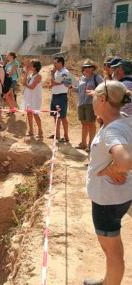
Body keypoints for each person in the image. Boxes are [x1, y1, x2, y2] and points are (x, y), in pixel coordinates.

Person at [84, 80, 132, 285]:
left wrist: (113, 168)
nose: (92, 100)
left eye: (94, 97)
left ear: (103, 99)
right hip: (119, 195)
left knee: (111, 251)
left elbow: (125, 161)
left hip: (107, 201)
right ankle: (107, 280)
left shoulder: (113, 130)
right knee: (113, 249)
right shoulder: (124, 119)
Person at [73, 59, 103, 152]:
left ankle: (91, 145)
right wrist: (71, 87)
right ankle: (83, 143)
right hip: (81, 103)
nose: (86, 68)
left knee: (91, 124)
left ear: (93, 68)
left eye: (89, 67)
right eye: (85, 67)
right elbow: (78, 90)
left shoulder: (97, 78)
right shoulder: (82, 78)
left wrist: (95, 93)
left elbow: (103, 89)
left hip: (91, 104)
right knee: (84, 123)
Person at [50, 56, 70, 143]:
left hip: (61, 96)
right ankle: (57, 134)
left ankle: (66, 136)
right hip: (54, 95)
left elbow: (55, 82)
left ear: (60, 63)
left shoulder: (65, 72)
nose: (54, 65)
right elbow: (53, 83)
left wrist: (52, 76)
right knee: (55, 116)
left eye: (55, 63)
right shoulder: (56, 72)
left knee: (63, 117)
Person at [22, 59, 43, 139]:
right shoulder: (30, 75)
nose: (29, 66)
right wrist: (26, 73)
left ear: (35, 67)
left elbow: (32, 87)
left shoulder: (38, 76)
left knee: (35, 114)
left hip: (35, 97)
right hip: (28, 97)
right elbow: (23, 82)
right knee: (29, 113)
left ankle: (40, 131)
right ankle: (31, 131)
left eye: (30, 65)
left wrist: (26, 84)